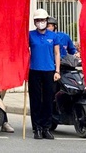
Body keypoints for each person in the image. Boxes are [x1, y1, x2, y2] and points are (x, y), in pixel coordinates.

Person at [28, 9, 60, 140]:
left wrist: (57, 70)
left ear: (47, 21)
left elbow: (57, 53)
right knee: (35, 100)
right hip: (34, 71)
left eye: (42, 20)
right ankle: (37, 128)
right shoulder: (30, 35)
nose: (40, 23)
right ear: (35, 22)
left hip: (49, 71)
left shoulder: (53, 36)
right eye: (38, 20)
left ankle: (47, 127)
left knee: (48, 101)